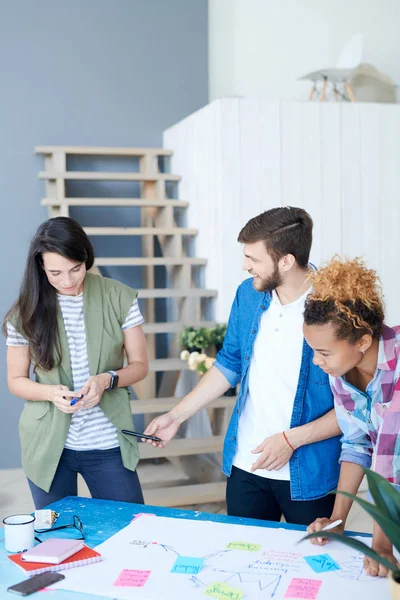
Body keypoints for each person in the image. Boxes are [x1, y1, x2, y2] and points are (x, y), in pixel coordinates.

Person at [144, 207, 342, 525]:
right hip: (245, 467)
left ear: (286, 261)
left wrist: (291, 440)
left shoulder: (337, 308)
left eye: (253, 259)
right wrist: (175, 416)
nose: (244, 266)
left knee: (311, 565)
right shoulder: (248, 295)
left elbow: (356, 405)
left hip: (307, 473)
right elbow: (229, 364)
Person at [4, 217, 148, 509]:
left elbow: (140, 365)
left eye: (76, 269)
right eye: (55, 272)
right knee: (58, 538)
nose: (67, 281)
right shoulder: (26, 312)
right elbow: (15, 380)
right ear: (40, 267)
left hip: (107, 440)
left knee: (129, 529)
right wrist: (50, 393)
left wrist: (107, 379)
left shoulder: (118, 296)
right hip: (48, 442)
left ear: (86, 259)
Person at [303, 256, 400, 577]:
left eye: (324, 352)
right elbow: (357, 445)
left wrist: (381, 544)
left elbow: (389, 465)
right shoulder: (341, 369)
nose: (317, 361)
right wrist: (337, 520)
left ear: (363, 342)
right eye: (313, 350)